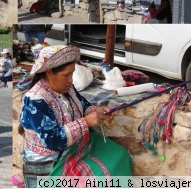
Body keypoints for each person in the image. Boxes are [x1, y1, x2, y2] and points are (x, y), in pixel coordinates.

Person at [19, 45, 133, 187]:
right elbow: (53, 140)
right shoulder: (36, 100)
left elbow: (83, 105)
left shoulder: (67, 88)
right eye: (66, 75)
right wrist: (86, 122)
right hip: (51, 163)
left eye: (72, 74)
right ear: (49, 72)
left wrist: (96, 111)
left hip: (75, 150)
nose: (71, 80)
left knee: (119, 155)